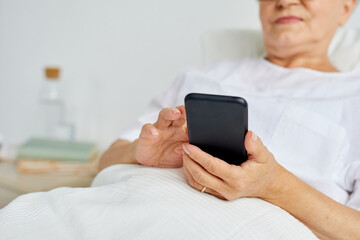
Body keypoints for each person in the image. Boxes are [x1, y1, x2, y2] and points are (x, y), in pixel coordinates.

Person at [99, 0, 360, 239]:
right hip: (115, 216)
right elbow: (106, 160)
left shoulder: (353, 100)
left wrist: (274, 186)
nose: (284, 2)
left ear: (346, 8)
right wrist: (137, 152)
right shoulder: (199, 78)